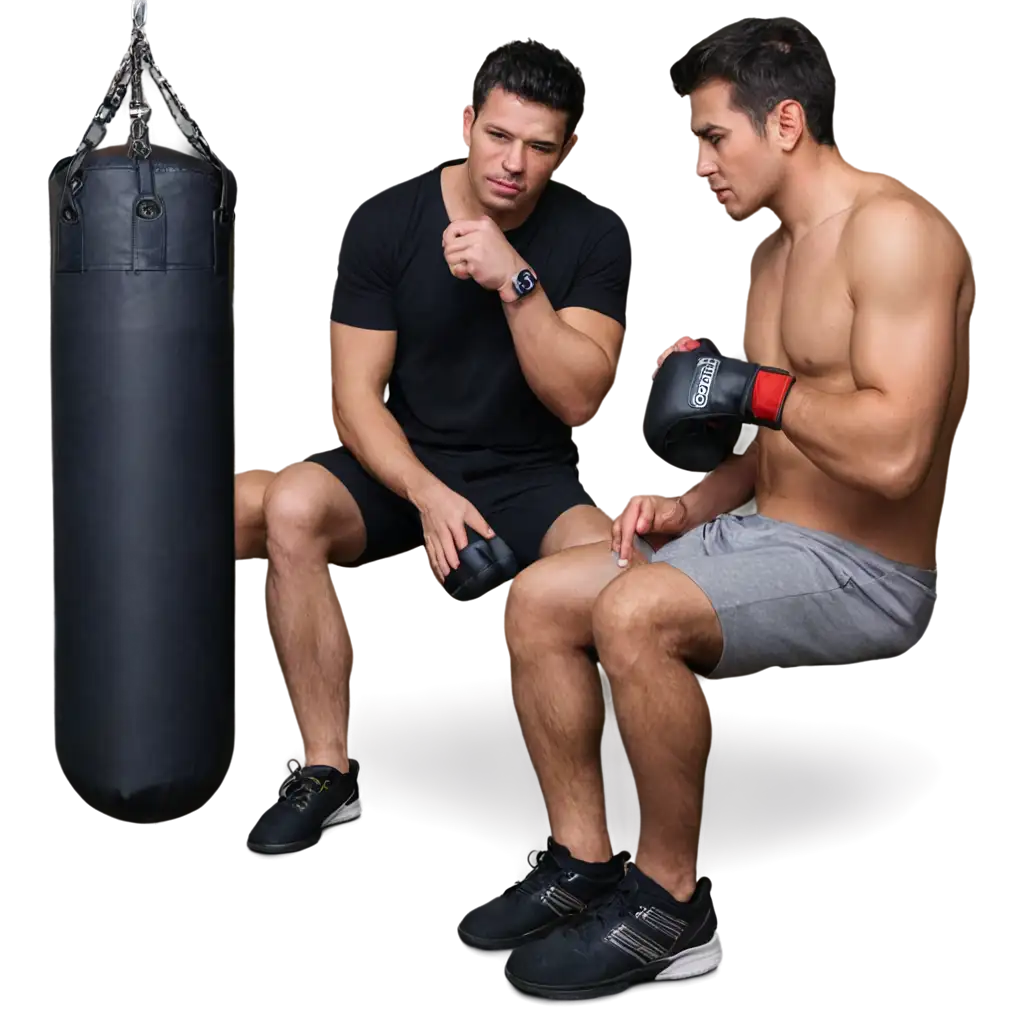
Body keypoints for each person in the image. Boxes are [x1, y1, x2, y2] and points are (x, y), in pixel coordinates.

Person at [456, 18, 973, 1000]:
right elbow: (785, 436)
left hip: (861, 568)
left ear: (784, 122)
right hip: (765, 531)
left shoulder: (896, 233)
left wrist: (748, 387)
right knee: (536, 597)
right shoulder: (773, 254)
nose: (695, 165)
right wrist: (688, 500)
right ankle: (581, 864)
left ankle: (671, 907)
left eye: (710, 138)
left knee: (633, 612)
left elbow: (896, 453)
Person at [238, 39, 630, 854]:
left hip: (528, 475)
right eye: (498, 136)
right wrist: (426, 495)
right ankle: (326, 768)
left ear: (565, 151)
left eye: (539, 147)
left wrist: (515, 279)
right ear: (466, 123)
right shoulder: (389, 218)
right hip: (405, 465)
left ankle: (582, 836)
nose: (514, 163)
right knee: (294, 504)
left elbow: (578, 395)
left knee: (611, 573)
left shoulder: (593, 233)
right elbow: (354, 401)